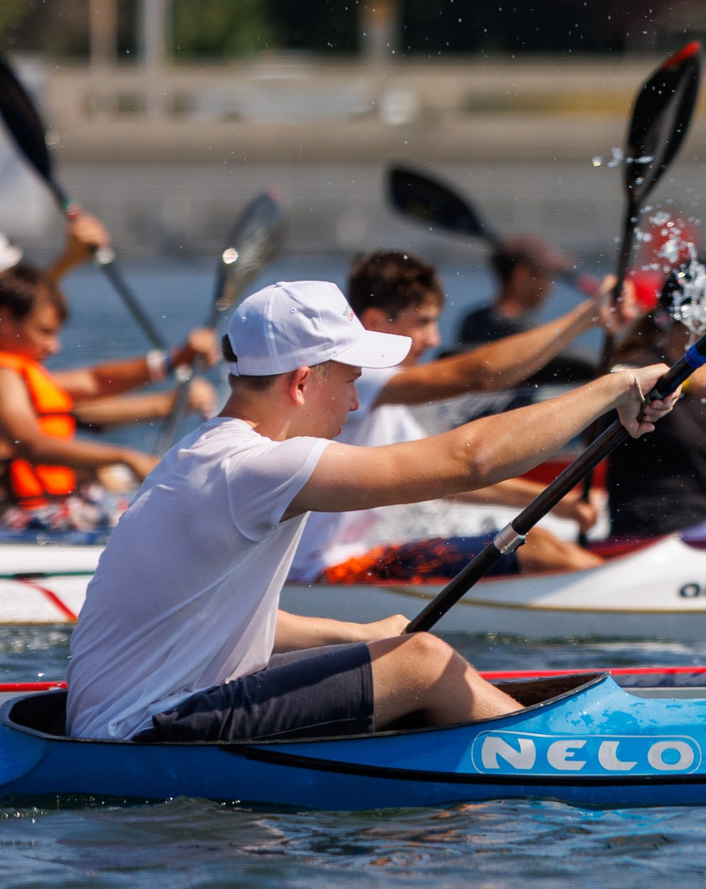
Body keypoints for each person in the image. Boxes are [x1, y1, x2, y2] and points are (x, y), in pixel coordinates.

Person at [63, 281, 666, 743]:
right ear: (302, 381)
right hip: (145, 735)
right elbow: (471, 459)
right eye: (349, 380)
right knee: (423, 663)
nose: (355, 401)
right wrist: (613, 388)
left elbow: (225, 620)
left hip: (122, 721)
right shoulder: (259, 466)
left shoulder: (197, 453)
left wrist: (357, 635)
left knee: (397, 652)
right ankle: (573, 758)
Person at [288, 251, 632, 586]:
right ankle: (629, 597)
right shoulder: (360, 378)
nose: (435, 339)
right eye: (423, 322)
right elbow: (481, 373)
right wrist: (586, 316)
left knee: (541, 541)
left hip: (352, 560)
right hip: (324, 575)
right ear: (376, 323)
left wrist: (556, 503)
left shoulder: (385, 404)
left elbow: (450, 477)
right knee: (538, 548)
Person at [0, 265, 218, 509]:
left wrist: (176, 359)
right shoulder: (4, 375)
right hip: (15, 516)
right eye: (45, 332)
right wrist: (125, 457)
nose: (54, 347)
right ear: (5, 318)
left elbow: (96, 381)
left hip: (41, 504)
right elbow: (31, 444)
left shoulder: (19, 373)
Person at [598, 309, 706, 541]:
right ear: (698, 322)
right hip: (645, 525)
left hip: (700, 516)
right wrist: (684, 381)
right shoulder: (640, 367)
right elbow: (608, 385)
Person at [456, 234, 576, 348]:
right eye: (546, 276)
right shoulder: (528, 334)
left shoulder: (471, 321)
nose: (551, 287)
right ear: (521, 275)